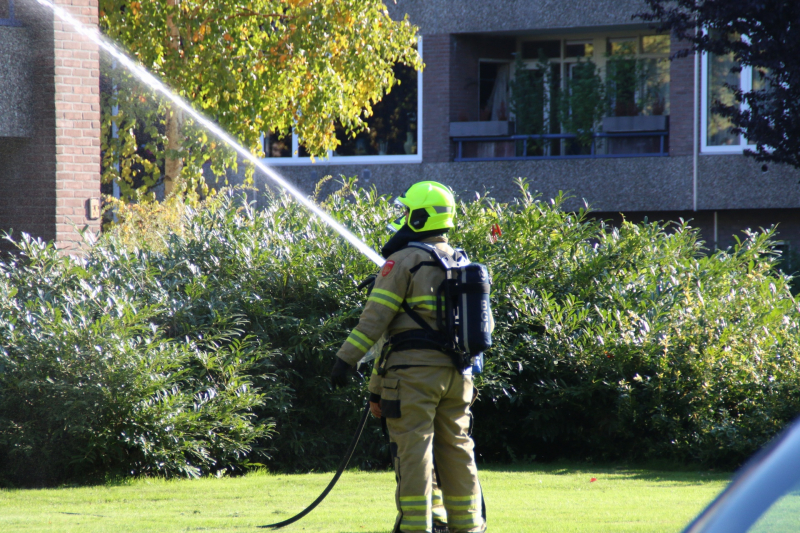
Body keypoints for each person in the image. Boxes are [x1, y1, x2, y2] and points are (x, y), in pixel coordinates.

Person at [331, 181, 487, 533]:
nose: (402, 217)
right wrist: (375, 386)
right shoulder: (459, 261)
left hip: (414, 378)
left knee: (414, 452)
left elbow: (376, 322)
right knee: (457, 450)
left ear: (418, 216)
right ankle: (469, 526)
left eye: (406, 211)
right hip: (458, 376)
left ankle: (416, 527)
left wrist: (345, 360)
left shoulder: (404, 261)